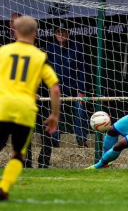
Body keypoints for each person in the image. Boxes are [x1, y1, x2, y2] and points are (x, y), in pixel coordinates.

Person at [0, 16, 60, 200]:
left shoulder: (3, 51)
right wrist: (54, 116)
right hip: (25, 110)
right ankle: (3, 188)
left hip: (2, 107)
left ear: (14, 32)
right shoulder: (40, 56)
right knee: (18, 153)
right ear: (35, 34)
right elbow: (55, 88)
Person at [37, 26, 90, 168]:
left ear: (68, 33)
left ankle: (81, 140)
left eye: (63, 31)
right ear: (54, 34)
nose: (61, 34)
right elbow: (45, 70)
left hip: (75, 86)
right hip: (56, 87)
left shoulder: (77, 47)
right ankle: (55, 140)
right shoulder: (50, 48)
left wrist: (81, 89)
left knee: (80, 109)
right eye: (58, 32)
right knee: (54, 111)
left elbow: (83, 69)